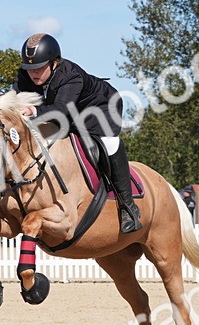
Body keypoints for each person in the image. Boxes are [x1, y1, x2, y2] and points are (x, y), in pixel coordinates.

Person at [14, 33, 141, 233]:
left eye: (39, 67)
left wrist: (34, 111)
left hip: (101, 108)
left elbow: (61, 110)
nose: (33, 73)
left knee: (109, 143)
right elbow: (16, 100)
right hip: (67, 112)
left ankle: (128, 207)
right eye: (30, 68)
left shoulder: (70, 75)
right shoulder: (25, 75)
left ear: (54, 63)